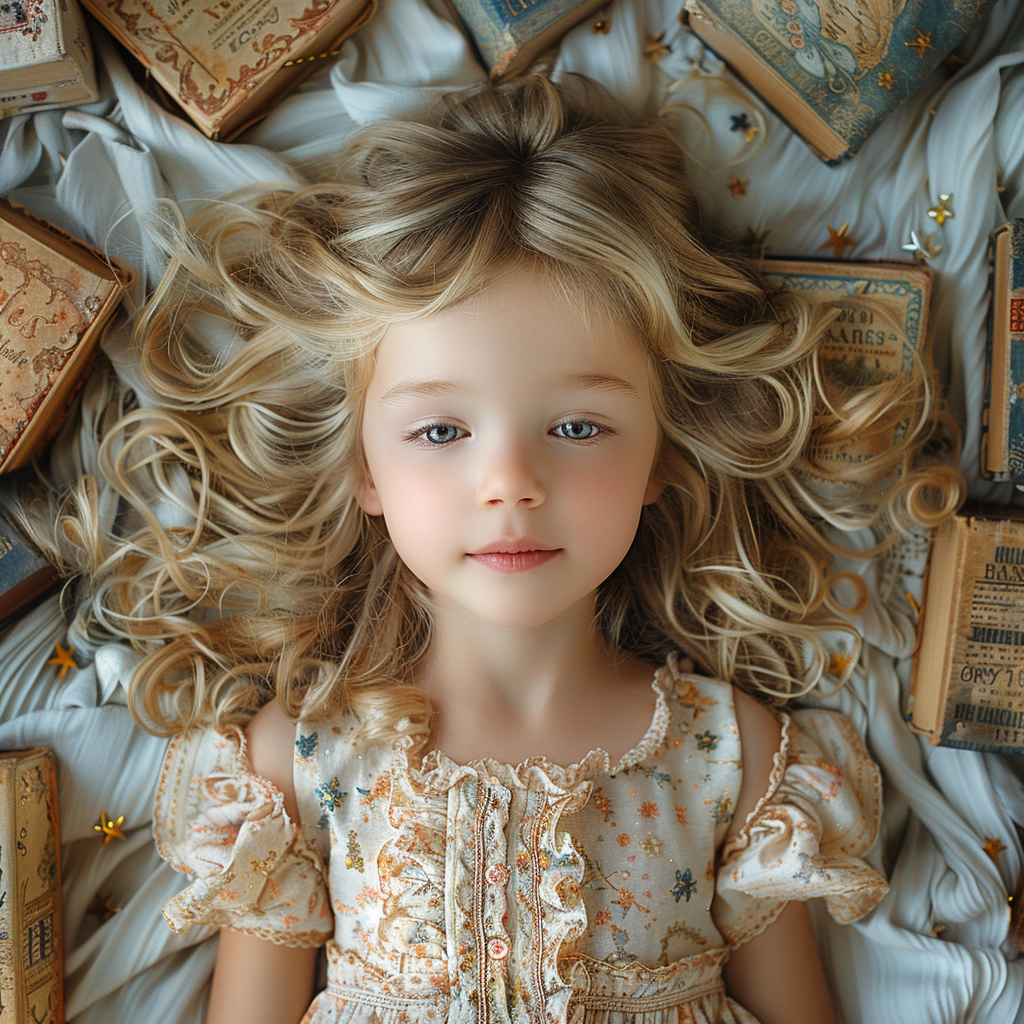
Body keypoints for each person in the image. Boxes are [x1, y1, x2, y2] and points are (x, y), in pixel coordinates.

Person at [49, 74, 959, 1024]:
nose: (510, 483)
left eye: (577, 427)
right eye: (441, 432)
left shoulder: (731, 756)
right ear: (362, 469)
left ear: (662, 458)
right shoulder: (302, 763)